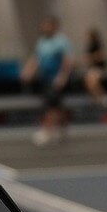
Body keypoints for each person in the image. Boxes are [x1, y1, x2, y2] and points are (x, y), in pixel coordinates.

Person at [20, 15, 76, 146]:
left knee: (51, 103)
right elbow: (36, 59)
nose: (44, 28)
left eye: (47, 25)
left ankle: (47, 131)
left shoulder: (62, 41)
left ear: (54, 27)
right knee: (55, 105)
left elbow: (68, 61)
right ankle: (62, 127)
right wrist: (28, 71)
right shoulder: (42, 41)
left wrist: (62, 77)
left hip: (59, 79)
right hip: (45, 78)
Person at [81, 27, 107, 105]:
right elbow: (87, 59)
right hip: (92, 68)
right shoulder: (89, 46)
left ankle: (103, 97)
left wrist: (92, 57)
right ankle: (95, 98)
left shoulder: (98, 45)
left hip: (99, 68)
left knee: (93, 81)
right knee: (87, 81)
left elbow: (102, 56)